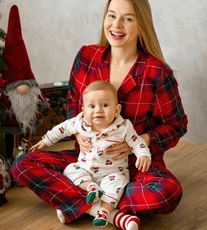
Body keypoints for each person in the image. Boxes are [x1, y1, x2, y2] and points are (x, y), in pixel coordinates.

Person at [12, 0, 188, 230]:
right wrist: (77, 133)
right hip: (86, 162)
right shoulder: (87, 56)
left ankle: (74, 201)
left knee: (167, 193)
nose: (117, 25)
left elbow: (177, 125)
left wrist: (141, 141)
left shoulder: (157, 72)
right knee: (22, 164)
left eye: (128, 18)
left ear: (141, 26)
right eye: (111, 15)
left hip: (133, 166)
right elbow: (74, 103)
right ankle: (107, 211)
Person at [30, 80, 152, 227]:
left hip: (112, 173)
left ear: (117, 110)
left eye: (105, 105)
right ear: (84, 110)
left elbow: (137, 142)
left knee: (118, 184)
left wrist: (143, 155)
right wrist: (46, 140)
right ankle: (91, 188)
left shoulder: (123, 127)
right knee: (70, 170)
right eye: (92, 106)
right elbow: (62, 129)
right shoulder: (79, 122)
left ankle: (104, 212)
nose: (98, 110)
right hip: (85, 170)